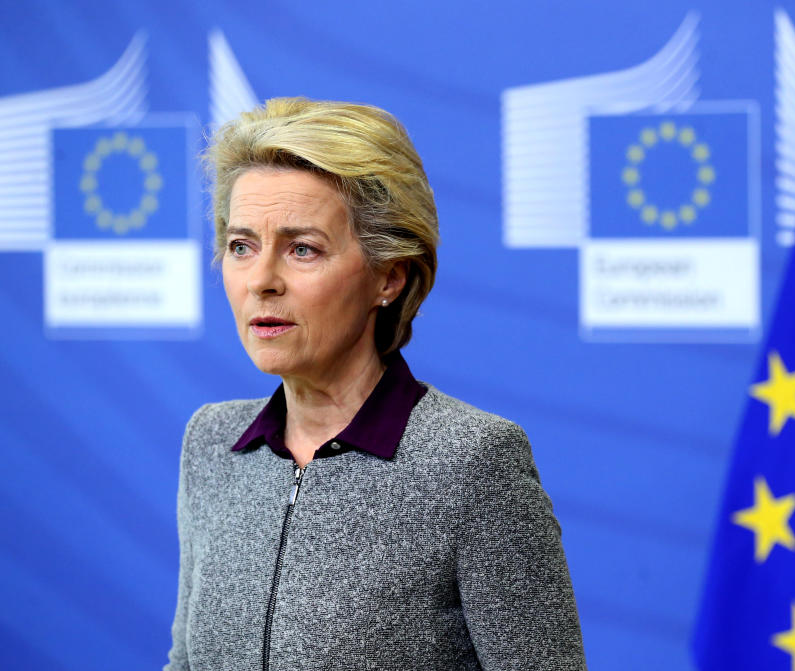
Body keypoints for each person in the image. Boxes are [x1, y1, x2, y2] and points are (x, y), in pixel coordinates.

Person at [164, 97, 586, 670]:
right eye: (242, 246)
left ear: (389, 276)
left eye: (302, 249)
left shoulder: (471, 462)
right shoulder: (212, 441)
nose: (261, 280)